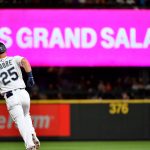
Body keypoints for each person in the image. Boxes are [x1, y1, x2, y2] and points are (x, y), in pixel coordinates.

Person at [0, 42, 40, 150]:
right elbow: (25, 61)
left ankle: (30, 145)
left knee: (20, 121)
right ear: (5, 50)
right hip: (23, 93)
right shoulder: (14, 59)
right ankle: (32, 134)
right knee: (26, 115)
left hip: (11, 96)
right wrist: (30, 76)